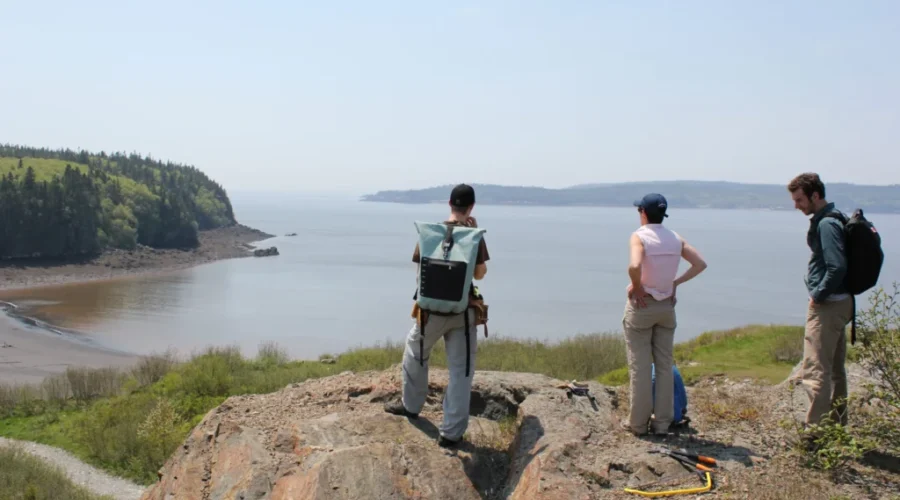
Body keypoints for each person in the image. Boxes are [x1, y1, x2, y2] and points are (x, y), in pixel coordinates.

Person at [384, 183, 490, 448]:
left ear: (449, 204)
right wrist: (471, 231)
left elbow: (419, 271)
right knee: (460, 371)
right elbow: (479, 274)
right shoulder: (473, 235)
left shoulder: (431, 234)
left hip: (429, 312)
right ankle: (451, 433)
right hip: (462, 314)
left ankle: (411, 406)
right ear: (471, 207)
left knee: (415, 352)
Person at [623, 193, 707, 436]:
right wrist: (675, 284)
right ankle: (662, 423)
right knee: (664, 365)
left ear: (643, 213)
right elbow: (700, 263)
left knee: (639, 367)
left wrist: (637, 287)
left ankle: (637, 424)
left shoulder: (639, 236)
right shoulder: (675, 238)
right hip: (666, 307)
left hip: (643, 306)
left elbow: (634, 266)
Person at [787, 173, 852, 428]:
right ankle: (836, 425)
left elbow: (837, 267)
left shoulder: (827, 224)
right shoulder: (836, 218)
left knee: (815, 370)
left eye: (800, 199)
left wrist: (818, 295)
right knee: (835, 369)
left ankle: (815, 433)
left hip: (828, 305)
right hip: (841, 302)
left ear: (815, 195)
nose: (797, 205)